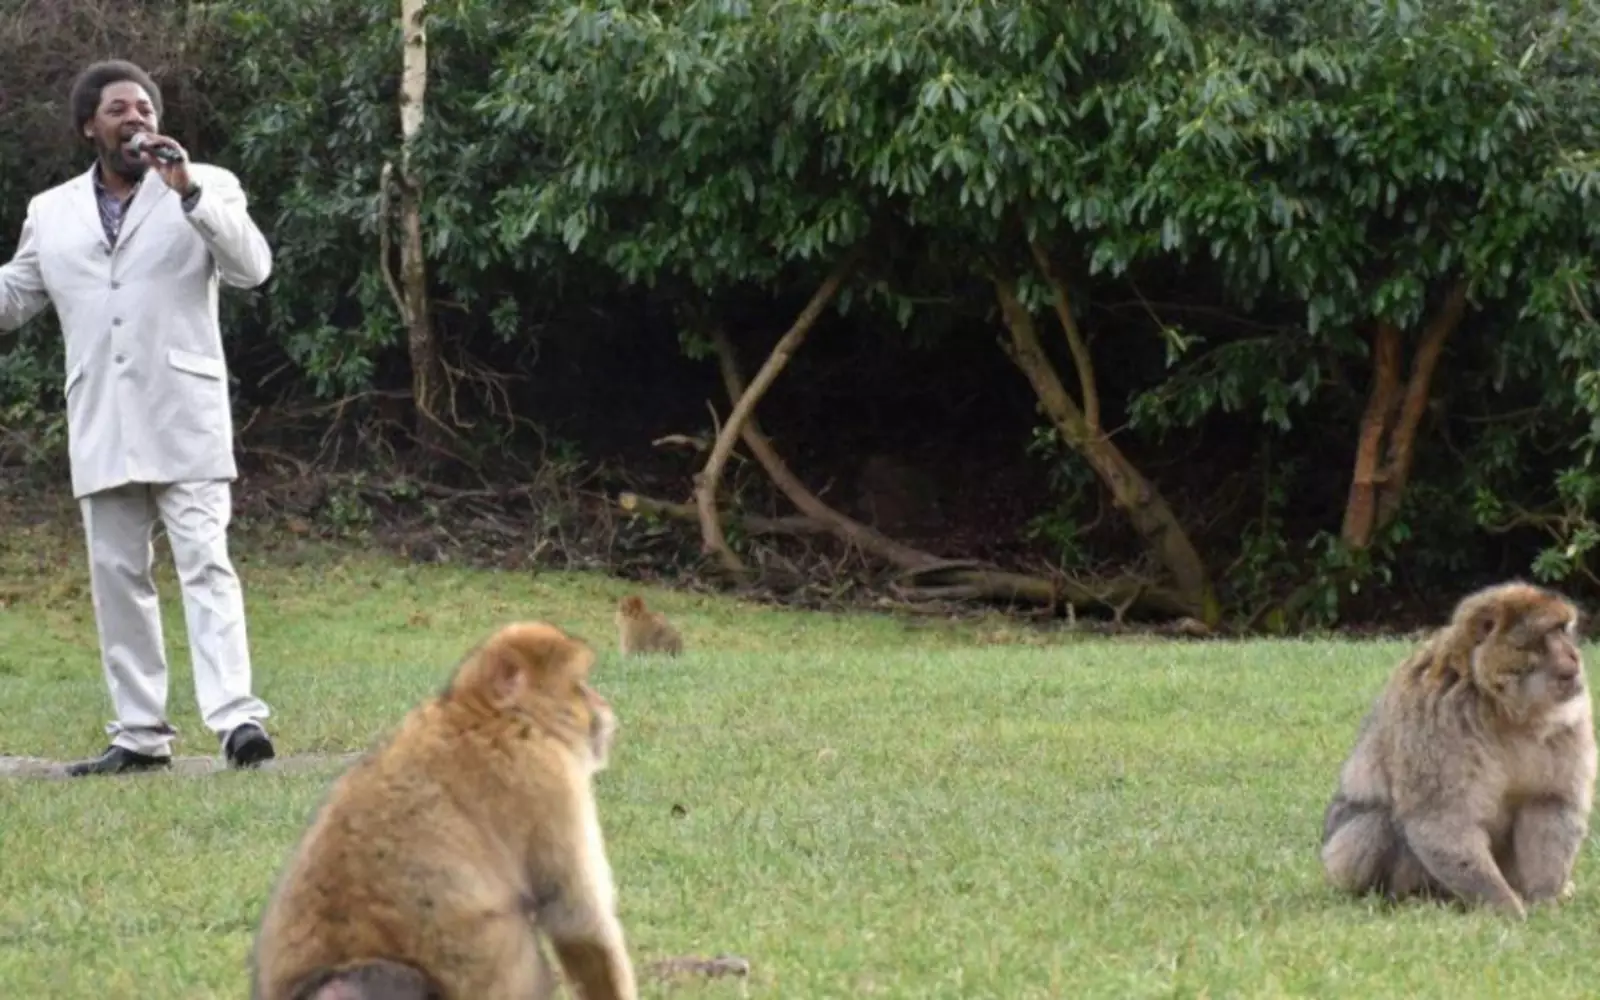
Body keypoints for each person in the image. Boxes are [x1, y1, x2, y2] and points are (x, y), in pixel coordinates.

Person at [0, 59, 278, 776]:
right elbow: (15, 296)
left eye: (146, 106)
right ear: (89, 125)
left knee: (206, 567)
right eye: (120, 108)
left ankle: (238, 722)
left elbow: (252, 269)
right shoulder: (50, 211)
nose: (138, 118)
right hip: (103, 418)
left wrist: (187, 192)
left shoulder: (206, 183)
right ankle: (140, 736)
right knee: (119, 579)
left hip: (184, 413)